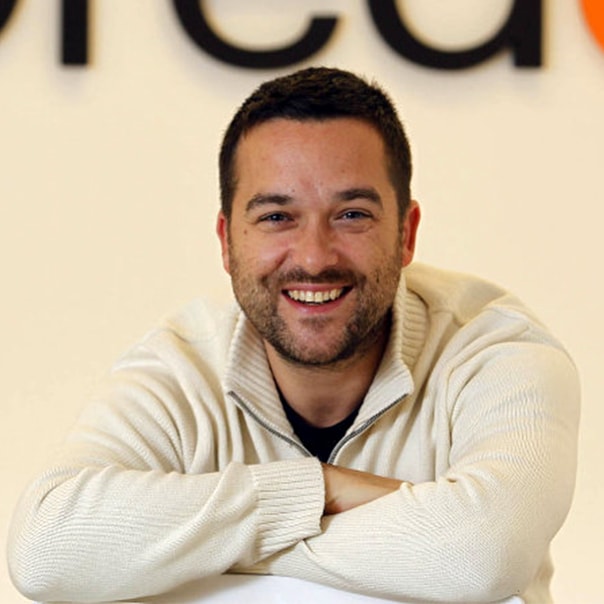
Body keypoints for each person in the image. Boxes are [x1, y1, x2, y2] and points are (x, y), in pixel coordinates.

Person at [8, 67, 579, 604]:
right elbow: (47, 549)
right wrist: (316, 489)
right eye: (277, 217)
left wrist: (202, 548)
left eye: (352, 214)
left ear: (406, 234)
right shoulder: (183, 365)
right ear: (227, 242)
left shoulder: (497, 351)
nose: (313, 257)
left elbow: (481, 554)